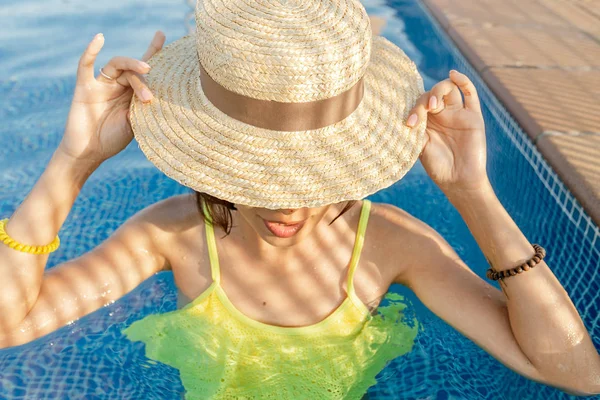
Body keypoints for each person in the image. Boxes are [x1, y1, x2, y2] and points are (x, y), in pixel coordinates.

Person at [1, 0, 599, 398]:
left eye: (310, 178)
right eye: (261, 177)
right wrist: (73, 161)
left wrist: (473, 194)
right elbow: (8, 327)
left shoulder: (391, 246)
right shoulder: (171, 236)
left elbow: (575, 372)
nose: (288, 206)